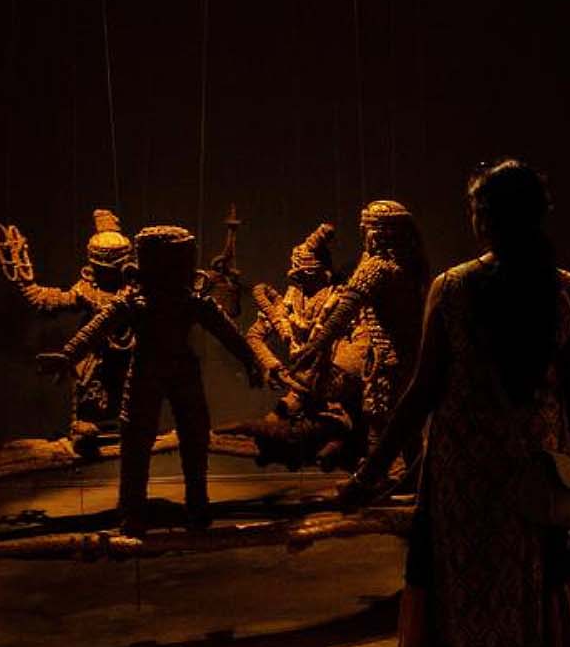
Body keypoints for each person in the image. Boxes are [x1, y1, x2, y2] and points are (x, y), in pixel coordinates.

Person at [336, 160, 570, 647]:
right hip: (533, 482)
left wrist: (369, 474)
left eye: (480, 211)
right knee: (529, 604)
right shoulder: (564, 291)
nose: (475, 222)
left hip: (462, 483)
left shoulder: (454, 289)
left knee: (460, 607)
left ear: (492, 218)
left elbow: (422, 391)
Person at [40, 225, 264, 534]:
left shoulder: (182, 302)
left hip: (168, 370)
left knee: (191, 436)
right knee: (138, 441)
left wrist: (252, 360)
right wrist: (68, 355)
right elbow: (98, 327)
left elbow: (227, 331)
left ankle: (193, 509)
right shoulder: (141, 302)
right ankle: (137, 513)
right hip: (152, 370)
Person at [289, 199, 429, 476]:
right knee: (406, 416)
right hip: (412, 353)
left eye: (366, 229)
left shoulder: (377, 267)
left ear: (377, 233)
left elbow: (347, 306)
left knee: (378, 414)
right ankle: (415, 474)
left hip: (386, 356)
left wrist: (319, 343)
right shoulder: (412, 265)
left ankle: (374, 476)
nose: (365, 236)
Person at [0, 209, 136, 456]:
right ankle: (86, 426)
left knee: (130, 389)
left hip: (129, 354)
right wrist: (23, 278)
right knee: (91, 386)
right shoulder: (87, 291)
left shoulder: (135, 291)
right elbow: (45, 299)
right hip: (95, 355)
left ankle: (129, 424)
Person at [232, 221, 354, 470]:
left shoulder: (341, 301)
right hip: (298, 389)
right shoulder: (289, 301)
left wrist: (336, 377)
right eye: (300, 276)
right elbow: (255, 335)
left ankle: (336, 442)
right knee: (269, 432)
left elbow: (356, 348)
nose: (304, 282)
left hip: (333, 392)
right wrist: (272, 365)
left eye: (310, 276)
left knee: (324, 434)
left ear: (323, 272)